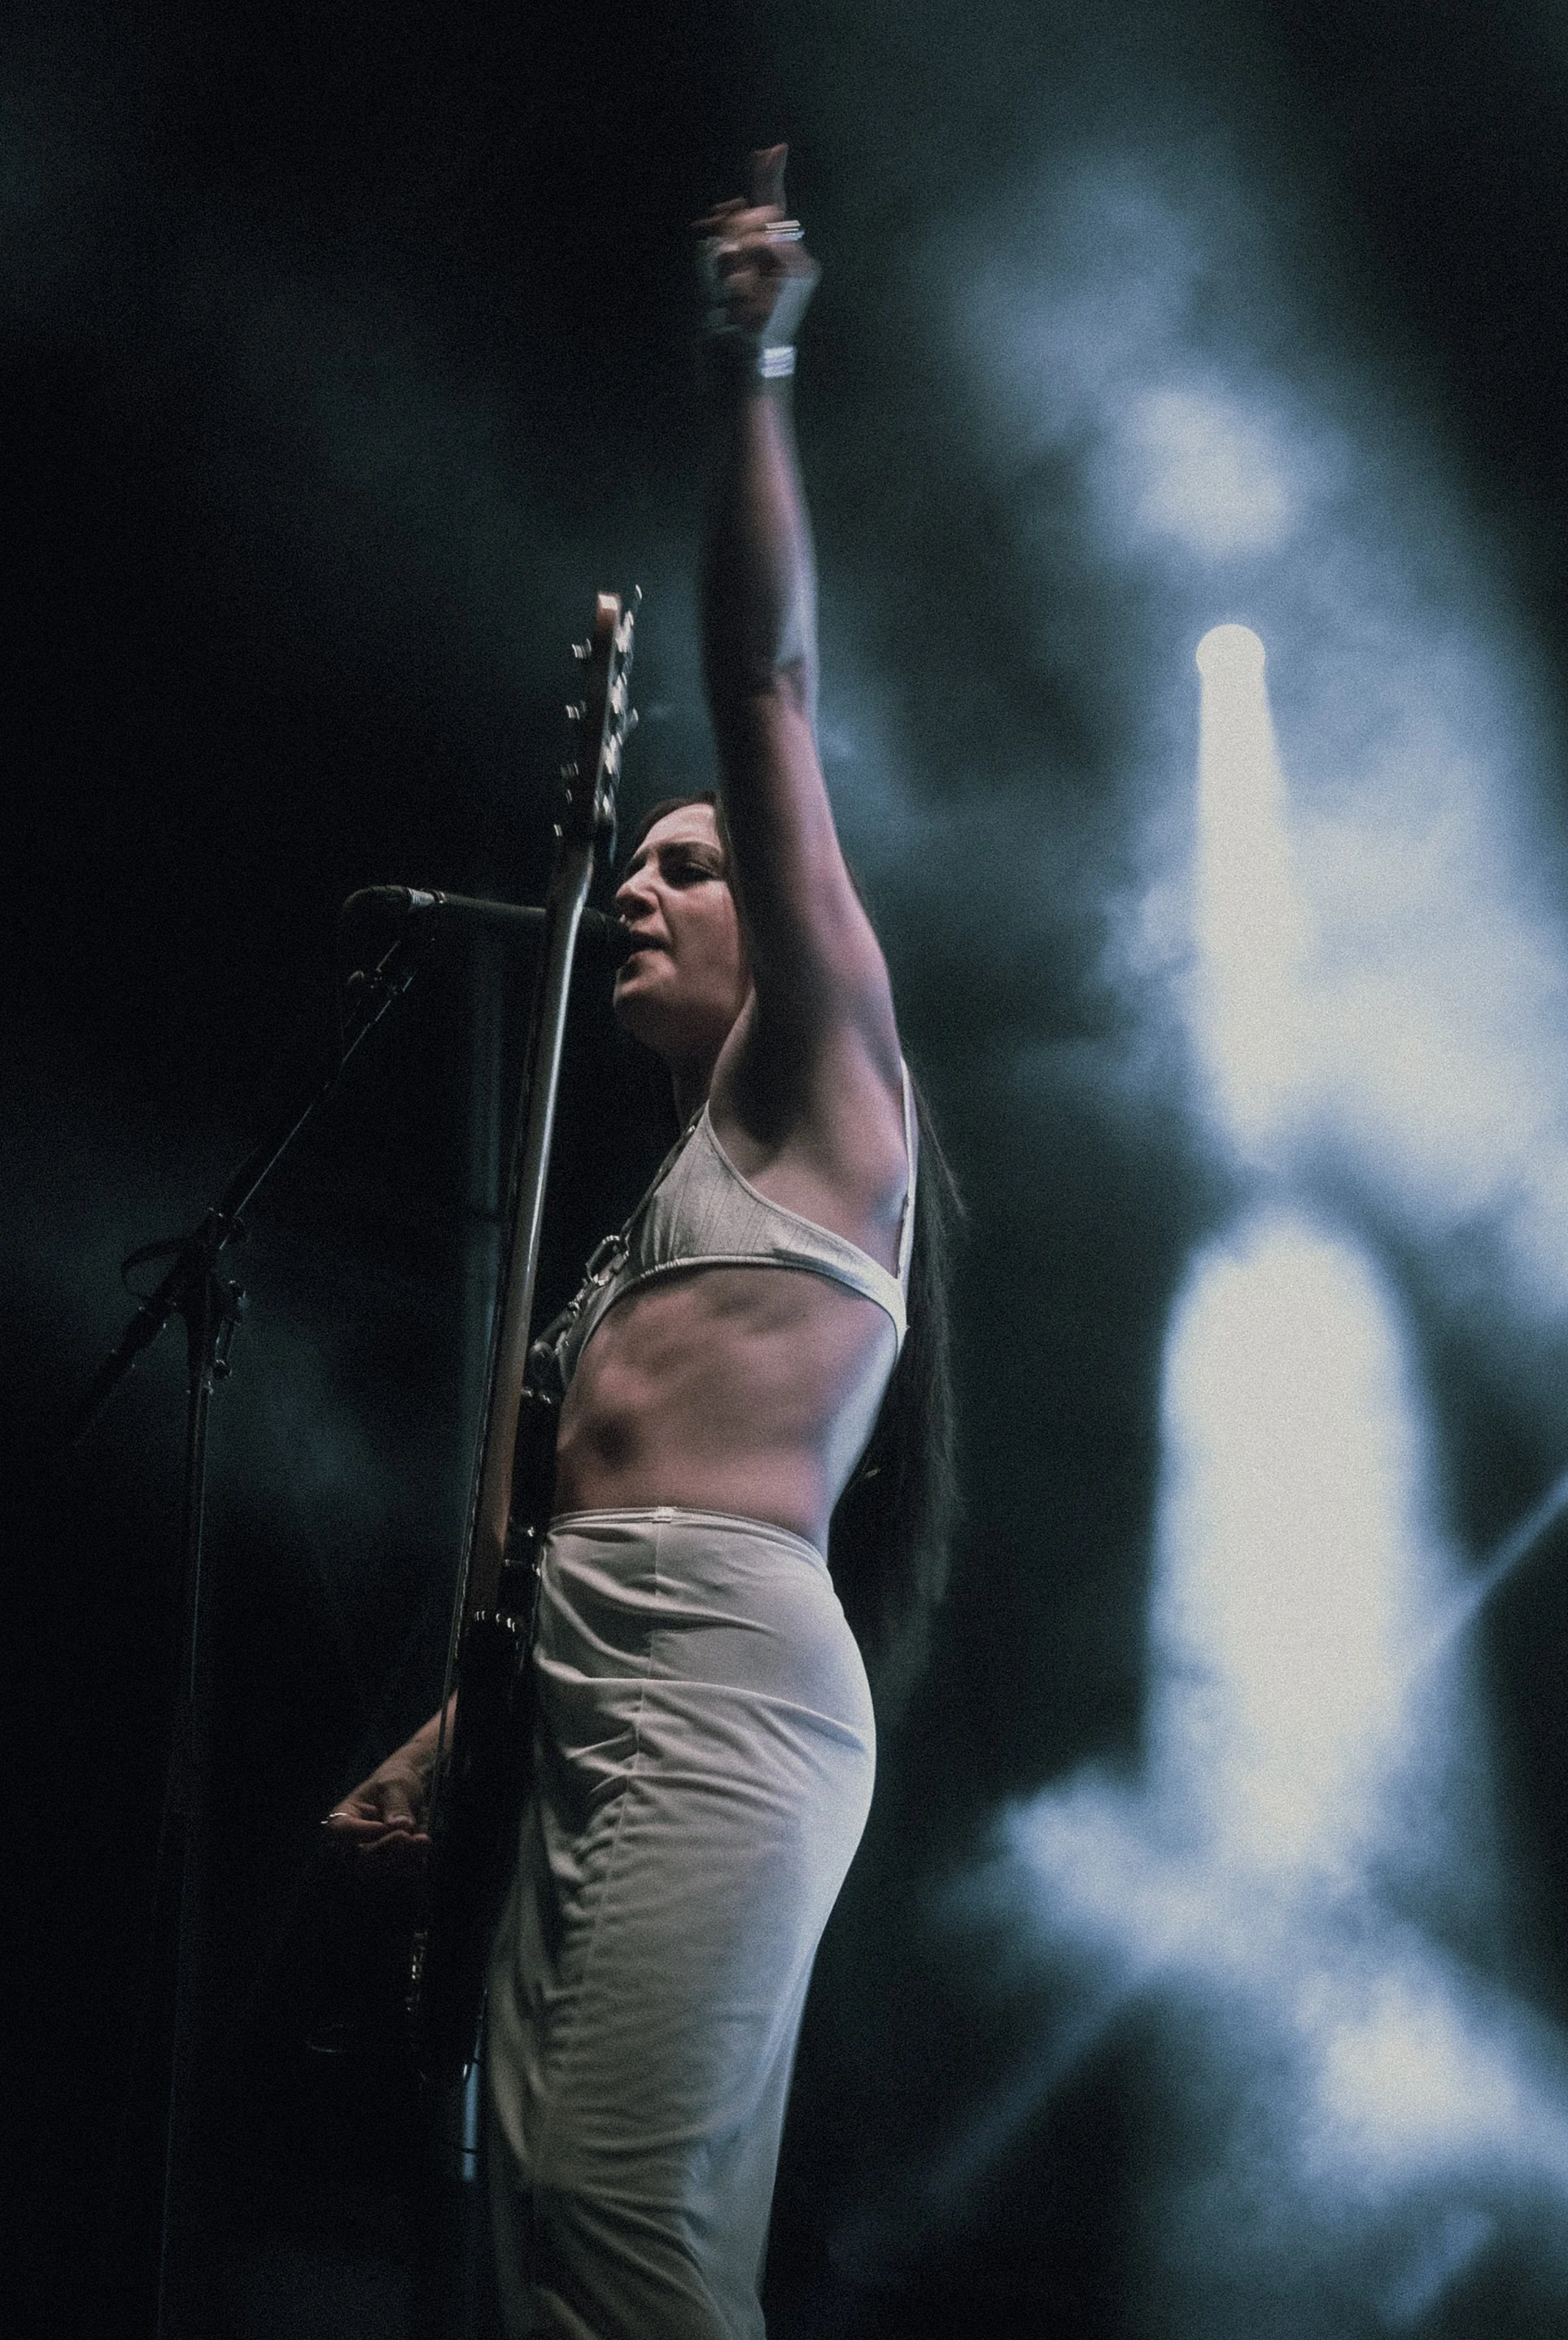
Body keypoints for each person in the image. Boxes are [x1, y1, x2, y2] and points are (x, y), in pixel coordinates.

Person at [327, 147, 958, 2340]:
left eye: (697, 870)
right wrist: (444, 1731)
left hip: (711, 1682)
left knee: (619, 2235)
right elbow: (555, 1520)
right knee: (521, 2269)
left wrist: (749, 371)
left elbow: (763, 687)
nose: (650, 889)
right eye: (643, 862)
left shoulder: (830, 1094)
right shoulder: (642, 1219)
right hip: (580, 1686)